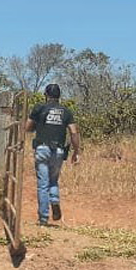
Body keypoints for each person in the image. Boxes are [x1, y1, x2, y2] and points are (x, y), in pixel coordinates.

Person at [25, 83, 80, 226]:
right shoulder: (66, 111)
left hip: (42, 149)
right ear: (59, 96)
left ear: (46, 95)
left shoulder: (39, 108)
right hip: (59, 151)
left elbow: (28, 128)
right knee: (53, 180)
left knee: (43, 184)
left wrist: (37, 125)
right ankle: (54, 201)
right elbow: (74, 132)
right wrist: (76, 152)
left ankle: (43, 218)